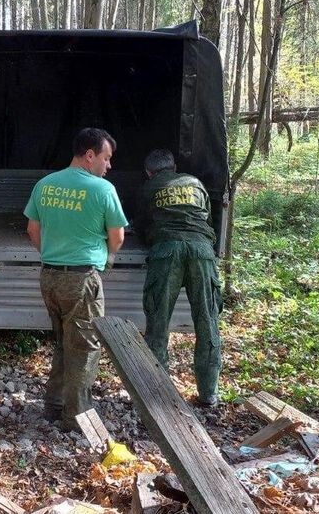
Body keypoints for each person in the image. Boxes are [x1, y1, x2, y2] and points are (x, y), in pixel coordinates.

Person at [23, 127, 128, 430]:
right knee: (83, 348)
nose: (108, 166)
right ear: (90, 155)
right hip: (82, 280)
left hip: (50, 278)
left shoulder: (45, 185)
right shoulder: (102, 190)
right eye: (106, 159)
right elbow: (117, 236)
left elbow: (32, 230)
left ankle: (54, 405)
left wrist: (53, 255)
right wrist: (107, 259)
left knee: (62, 342)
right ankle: (76, 418)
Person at [139, 149, 223, 407]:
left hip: (167, 252)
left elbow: (142, 224)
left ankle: (157, 392)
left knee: (158, 322)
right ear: (174, 167)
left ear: (149, 172)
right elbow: (208, 218)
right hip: (202, 252)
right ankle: (209, 394)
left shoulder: (149, 187)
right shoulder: (196, 184)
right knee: (207, 321)